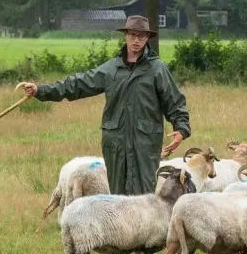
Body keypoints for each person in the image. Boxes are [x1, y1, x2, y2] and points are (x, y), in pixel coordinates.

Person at [20, 15, 190, 195]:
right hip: (115, 144)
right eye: (132, 35)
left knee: (144, 198)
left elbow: (175, 101)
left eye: (141, 36)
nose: (136, 40)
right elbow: (78, 84)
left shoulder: (157, 69)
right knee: (116, 197)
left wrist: (181, 128)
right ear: (125, 35)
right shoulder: (111, 69)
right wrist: (41, 90)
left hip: (145, 145)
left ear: (147, 38)